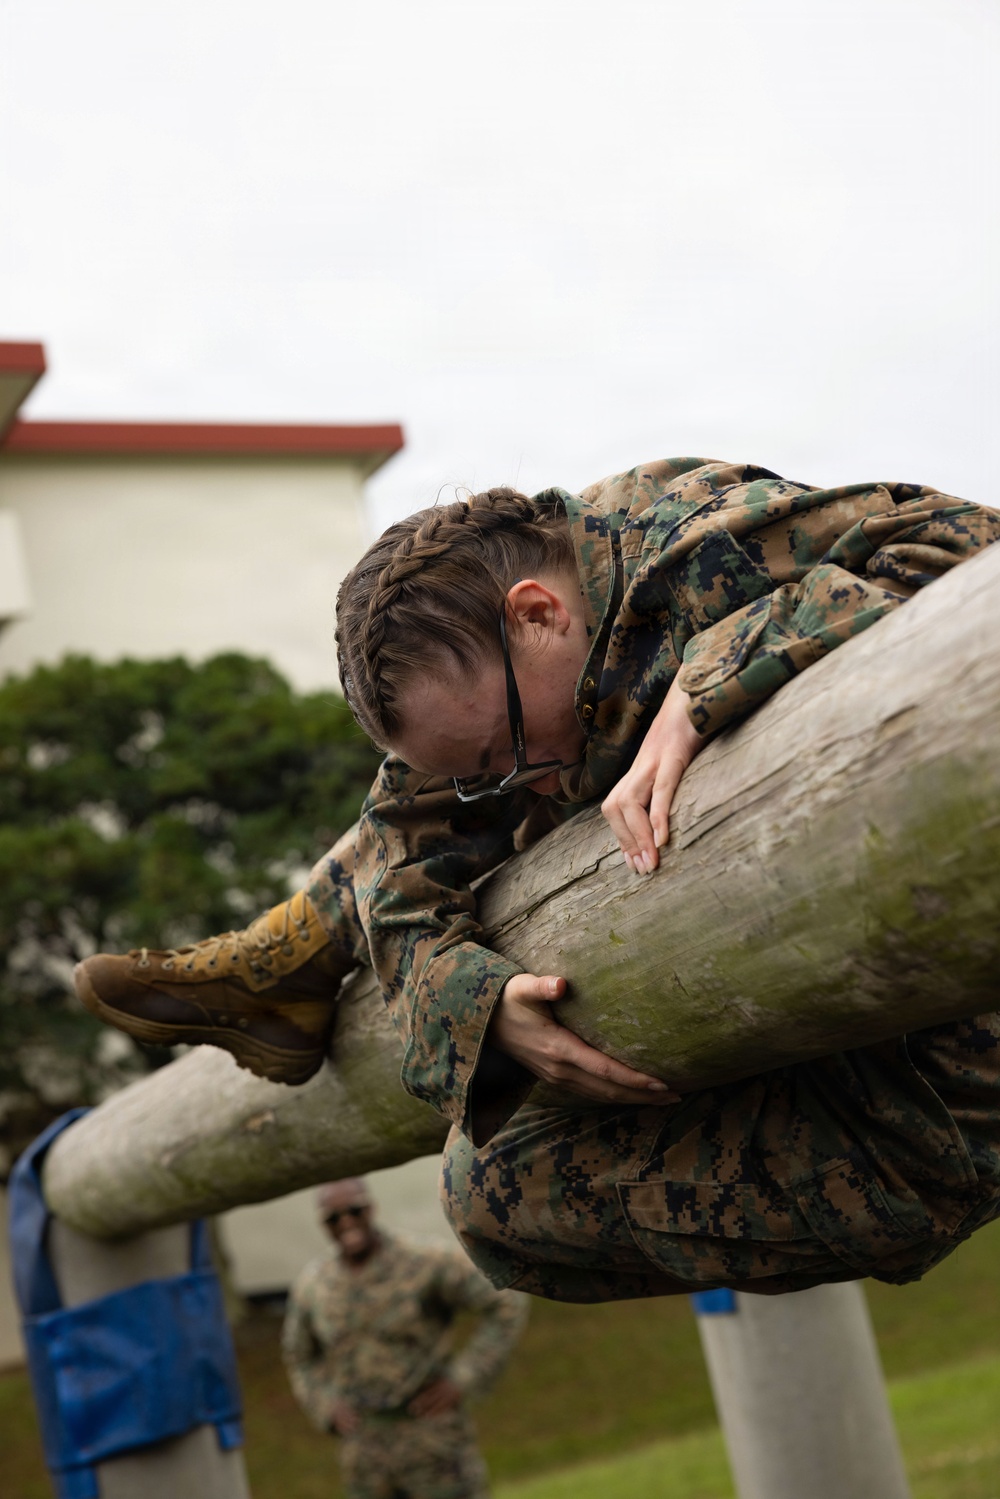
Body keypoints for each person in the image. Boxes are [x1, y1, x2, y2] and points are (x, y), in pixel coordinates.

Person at [77, 456, 1000, 1302]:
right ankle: (290, 958)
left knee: (491, 1199)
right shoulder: (517, 667)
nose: (529, 784)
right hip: (802, 1025)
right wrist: (471, 999)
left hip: (939, 1088)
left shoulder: (696, 544)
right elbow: (400, 843)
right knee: (429, 827)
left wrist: (706, 684)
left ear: (537, 614)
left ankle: (290, 957)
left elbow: (967, 548)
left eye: (505, 750)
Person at [282, 1177, 527, 1499]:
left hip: (433, 1442)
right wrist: (324, 1405)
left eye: (354, 1211)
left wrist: (464, 1376)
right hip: (365, 1453)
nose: (346, 1222)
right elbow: (299, 1355)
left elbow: (505, 1302)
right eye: (333, 1217)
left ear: (371, 1209)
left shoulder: (424, 1261)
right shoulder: (315, 1285)